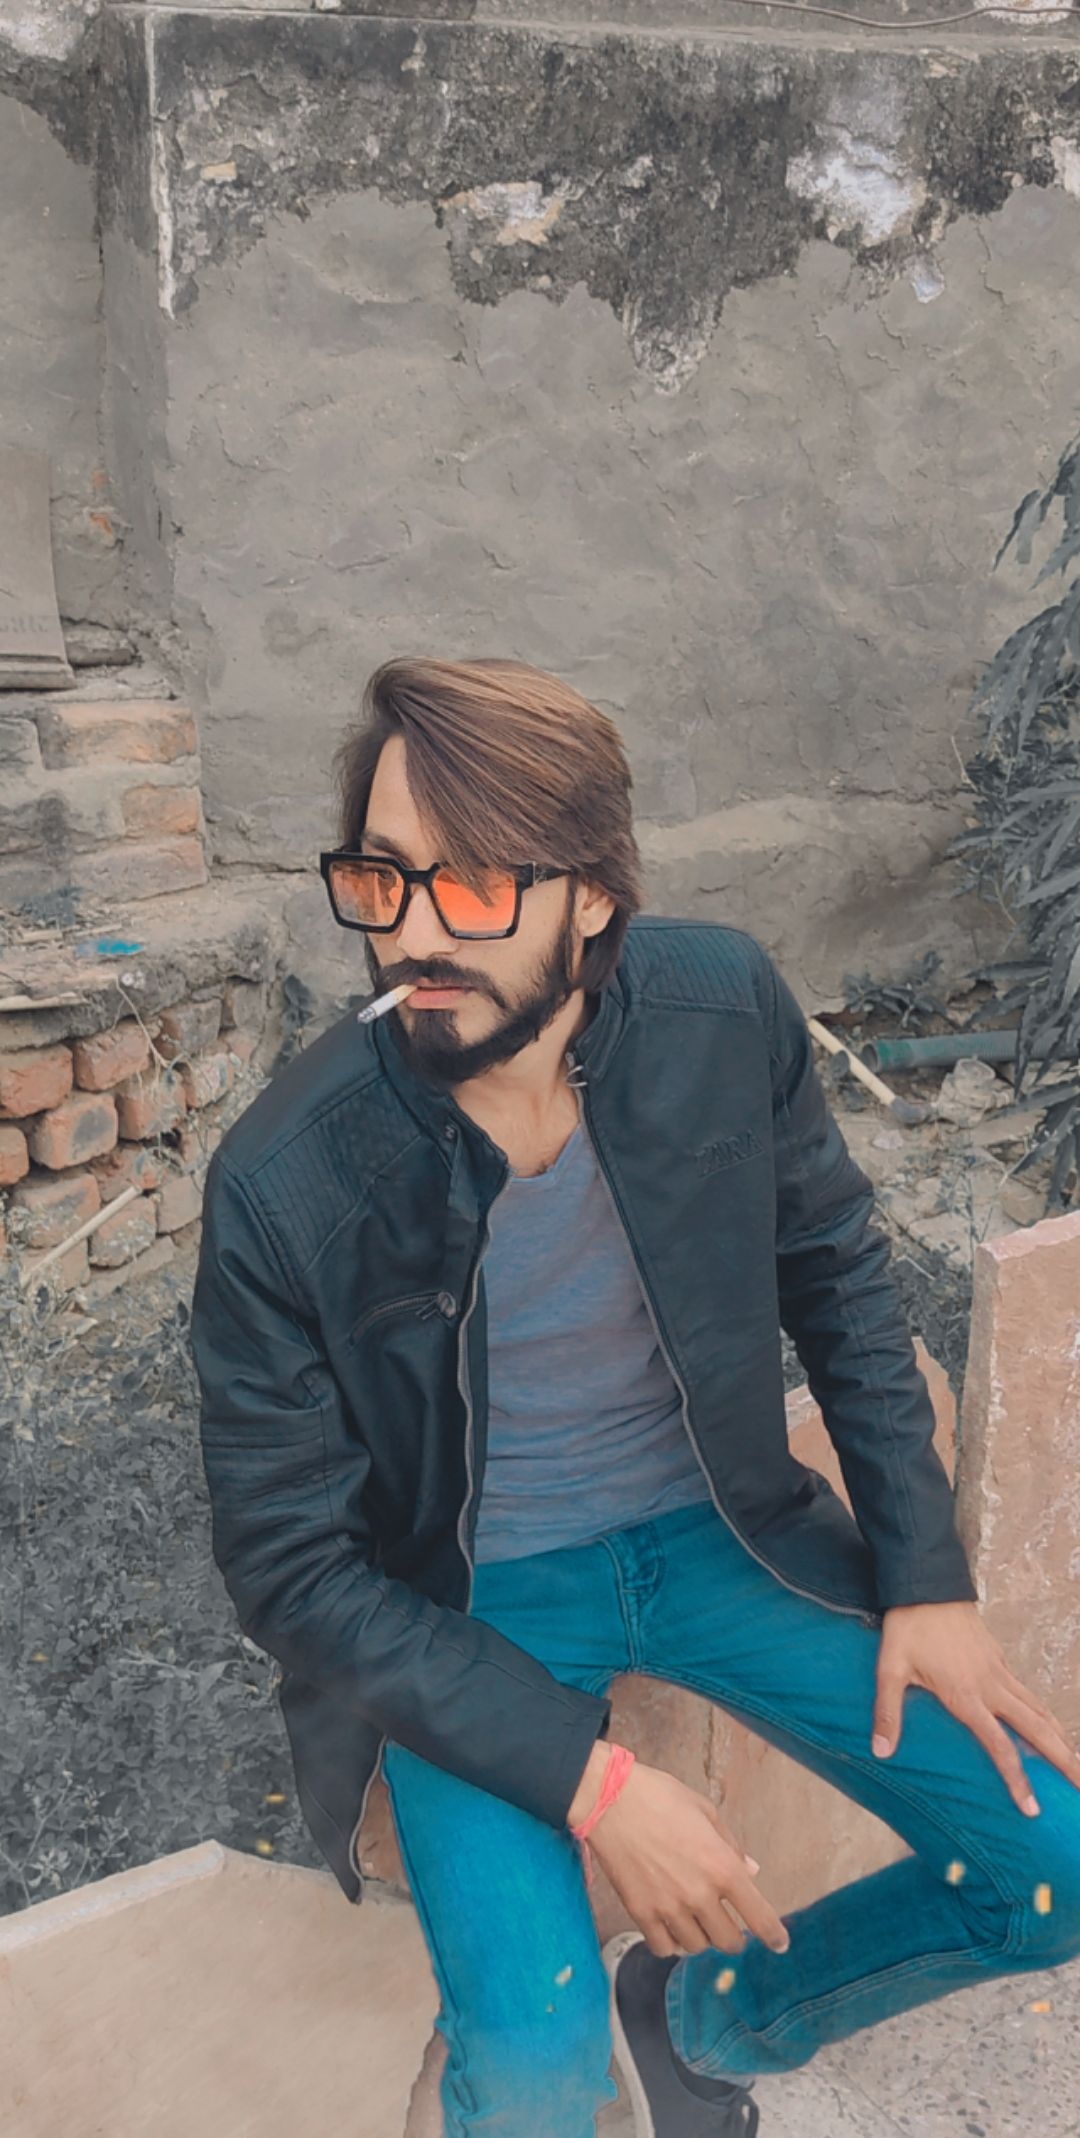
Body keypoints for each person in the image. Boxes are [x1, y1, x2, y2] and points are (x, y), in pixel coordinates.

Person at [191, 656, 1080, 2138]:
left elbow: (837, 1275)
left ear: (594, 898)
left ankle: (703, 2026)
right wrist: (596, 1788)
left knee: (1052, 1873)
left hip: (720, 1535)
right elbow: (290, 1569)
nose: (413, 933)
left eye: (476, 885)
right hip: (466, 1606)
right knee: (536, 2074)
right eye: (383, 878)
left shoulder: (719, 1008)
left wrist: (926, 1575)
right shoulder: (289, 1175)